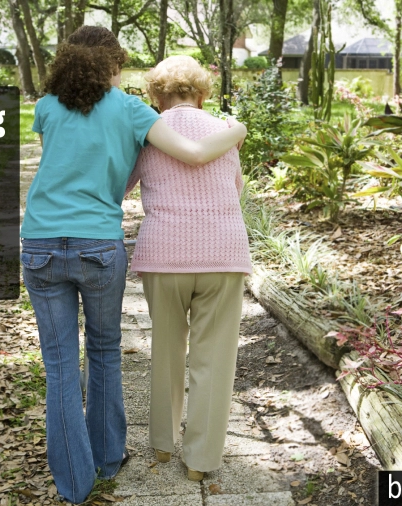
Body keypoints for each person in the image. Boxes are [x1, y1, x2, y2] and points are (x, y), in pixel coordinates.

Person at [20, 28, 246, 504]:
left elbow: (76, 167)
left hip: (45, 240)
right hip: (114, 245)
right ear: (113, 66)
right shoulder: (134, 113)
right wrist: (238, 130)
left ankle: (80, 482)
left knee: (61, 365)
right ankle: (126, 459)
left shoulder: (48, 107)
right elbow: (207, 164)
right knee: (107, 351)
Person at [125, 55, 252, 482]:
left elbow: (121, 185)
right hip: (223, 254)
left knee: (165, 348)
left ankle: (162, 444)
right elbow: (235, 189)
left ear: (156, 96)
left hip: (165, 255)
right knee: (213, 359)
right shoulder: (225, 132)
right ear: (201, 94)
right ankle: (200, 461)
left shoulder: (147, 134)